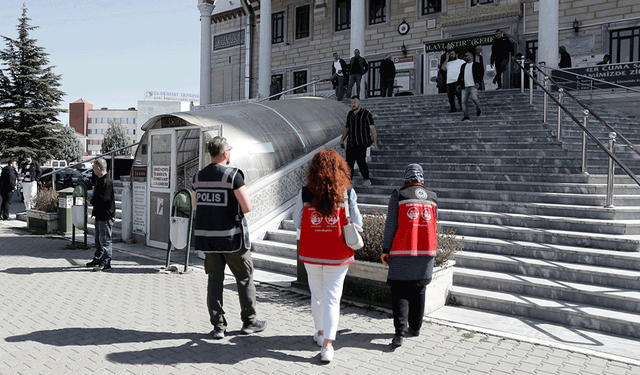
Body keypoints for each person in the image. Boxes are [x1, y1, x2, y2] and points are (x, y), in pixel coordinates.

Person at [191, 136, 266, 340]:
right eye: (229, 150)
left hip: (208, 239)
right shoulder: (233, 176)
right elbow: (247, 207)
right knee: (244, 278)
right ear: (225, 154)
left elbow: (195, 206)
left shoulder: (197, 177)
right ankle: (249, 322)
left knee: (214, 280)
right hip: (232, 240)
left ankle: (218, 327)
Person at [293, 149, 363, 362]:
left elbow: (297, 222)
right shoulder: (347, 192)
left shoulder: (305, 192)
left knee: (318, 295)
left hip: (311, 252)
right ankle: (327, 346)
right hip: (338, 254)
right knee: (333, 298)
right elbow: (358, 224)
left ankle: (321, 332)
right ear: (340, 167)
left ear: (313, 170)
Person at [380, 164, 437, 347]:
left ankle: (400, 333)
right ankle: (416, 327)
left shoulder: (399, 194)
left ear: (406, 176)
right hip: (426, 251)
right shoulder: (433, 197)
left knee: (400, 290)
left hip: (402, 250)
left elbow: (390, 224)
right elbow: (435, 225)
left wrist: (386, 250)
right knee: (419, 289)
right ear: (421, 177)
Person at [340, 96, 378, 187]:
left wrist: (375, 141)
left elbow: (372, 128)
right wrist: (342, 140)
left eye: (355, 102)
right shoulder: (350, 114)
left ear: (359, 102)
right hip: (351, 142)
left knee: (361, 161)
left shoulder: (366, 114)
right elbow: (347, 128)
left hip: (362, 143)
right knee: (349, 163)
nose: (353, 104)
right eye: (352, 103)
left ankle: (366, 179)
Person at [85, 158, 116, 272]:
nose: (93, 170)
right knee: (98, 239)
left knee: (105, 240)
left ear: (98, 168)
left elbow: (104, 200)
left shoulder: (106, 181)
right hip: (99, 214)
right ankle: (98, 258)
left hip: (105, 215)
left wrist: (91, 201)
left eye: (93, 167)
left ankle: (106, 262)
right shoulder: (100, 180)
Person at [457, 51, 483, 121]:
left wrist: (478, 82)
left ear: (471, 56)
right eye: (465, 56)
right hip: (465, 86)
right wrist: (459, 84)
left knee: (474, 98)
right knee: (463, 102)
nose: (465, 57)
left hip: (473, 85)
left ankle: (478, 108)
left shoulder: (476, 65)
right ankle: (466, 115)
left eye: (467, 55)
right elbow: (460, 75)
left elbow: (481, 74)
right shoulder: (463, 66)